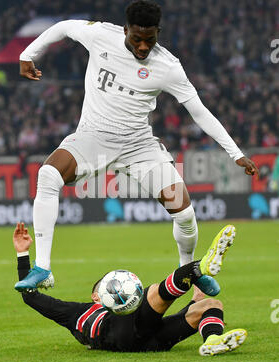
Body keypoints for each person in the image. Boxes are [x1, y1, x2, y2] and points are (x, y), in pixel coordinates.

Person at [15, 0, 259, 295]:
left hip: (139, 146)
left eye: (150, 39)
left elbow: (200, 112)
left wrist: (236, 153)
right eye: (137, 39)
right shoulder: (101, 35)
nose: (143, 46)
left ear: (158, 32)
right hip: (93, 137)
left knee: (184, 214)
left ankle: (188, 270)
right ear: (125, 29)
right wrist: (28, 54)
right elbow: (64, 27)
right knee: (48, 175)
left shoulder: (168, 66)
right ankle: (42, 267)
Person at [13, 222, 247, 355]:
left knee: (210, 305)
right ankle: (200, 266)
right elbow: (30, 298)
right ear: (97, 295)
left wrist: (196, 295)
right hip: (119, 334)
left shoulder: (121, 309)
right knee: (154, 292)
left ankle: (212, 340)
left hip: (152, 342)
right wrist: (22, 253)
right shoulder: (75, 312)